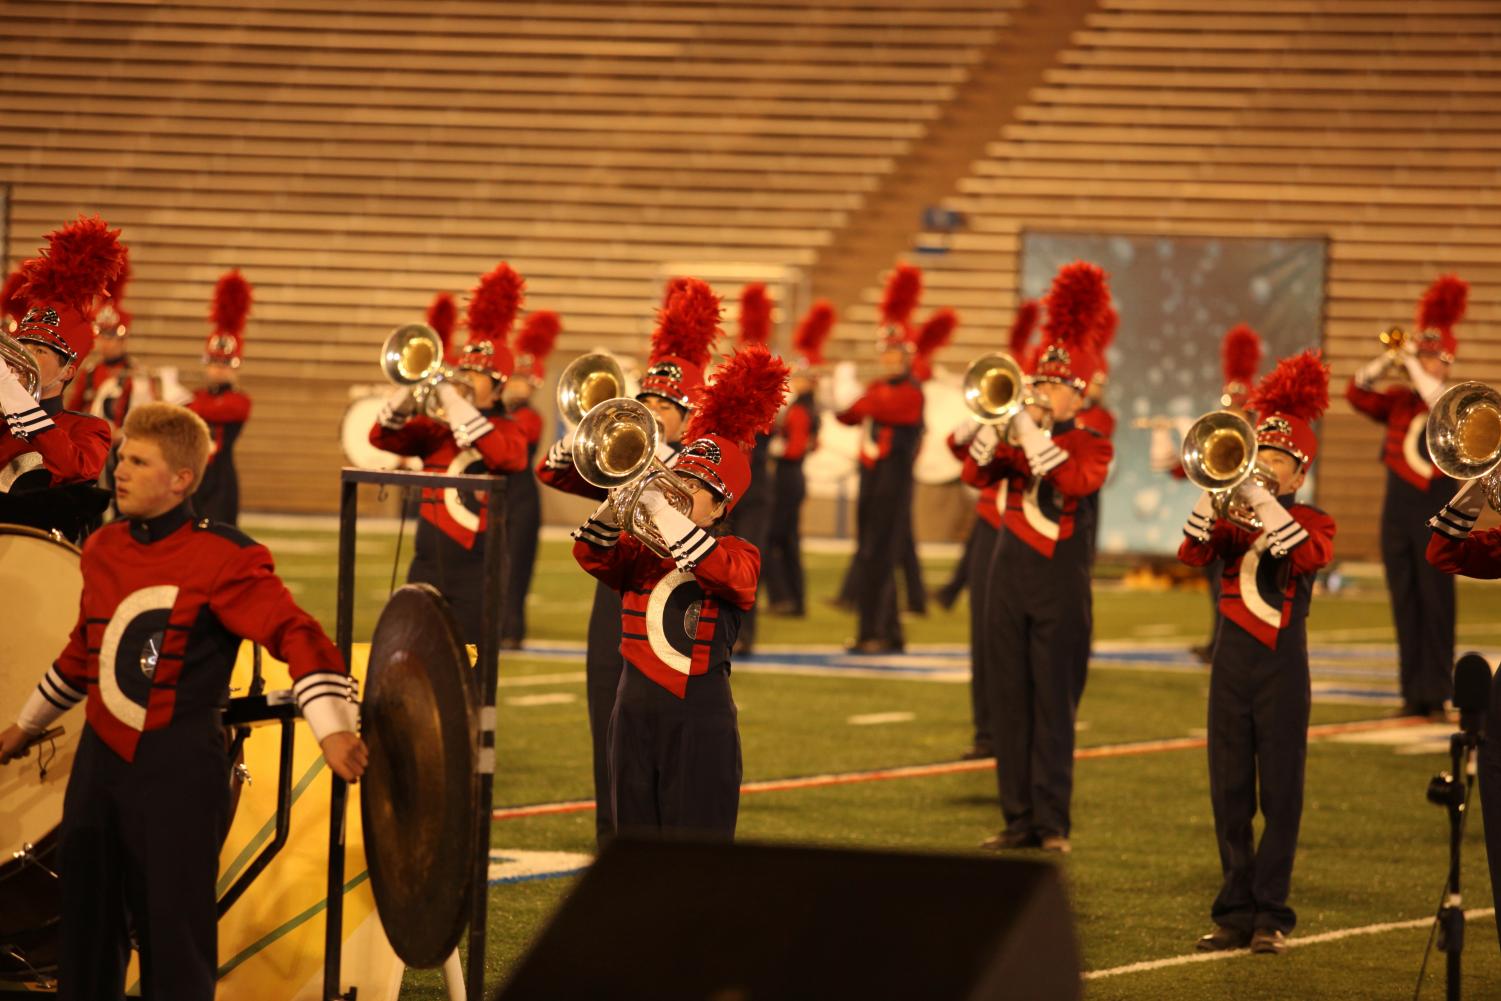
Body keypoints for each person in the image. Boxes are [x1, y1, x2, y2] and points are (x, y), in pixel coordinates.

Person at [0, 401, 367, 1001]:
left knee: (174, 941)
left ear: (182, 480)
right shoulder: (105, 547)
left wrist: (332, 727)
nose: (119, 472)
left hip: (178, 770)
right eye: (122, 457)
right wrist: (24, 725)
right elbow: (83, 652)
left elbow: (295, 633)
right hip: (99, 768)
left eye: (139, 463)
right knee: (86, 942)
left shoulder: (225, 556)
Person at [572, 344, 788, 839]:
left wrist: (662, 509)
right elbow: (590, 553)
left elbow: (727, 576)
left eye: (694, 488)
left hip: (699, 719)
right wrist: (619, 497)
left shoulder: (739, 552)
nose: (678, 491)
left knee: (697, 861)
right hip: (630, 714)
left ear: (719, 508)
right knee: (634, 857)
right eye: (679, 479)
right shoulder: (642, 552)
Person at [538, 277, 721, 842]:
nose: (657, 411)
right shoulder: (627, 450)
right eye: (650, 402)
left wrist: (657, 455)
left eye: (669, 405)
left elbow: (705, 503)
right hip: (614, 597)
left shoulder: (710, 458)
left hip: (675, 610)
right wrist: (578, 441)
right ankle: (608, 837)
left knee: (663, 735)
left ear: (692, 414)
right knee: (605, 716)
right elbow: (550, 472)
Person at [1179, 350, 1335, 956]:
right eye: (1258, 457)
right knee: (1230, 791)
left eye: (1276, 462)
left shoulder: (1313, 519)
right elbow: (1191, 551)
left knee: (1282, 794)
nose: (1263, 470)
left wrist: (1257, 494)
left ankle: (1272, 912)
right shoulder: (1233, 522)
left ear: (1298, 476)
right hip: (1231, 668)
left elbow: (1303, 553)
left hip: (1282, 668)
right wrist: (1218, 485)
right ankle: (1233, 910)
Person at [964, 261, 1113, 855]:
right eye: (1037, 383)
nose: (1039, 393)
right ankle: (1017, 816)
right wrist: (994, 424)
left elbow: (1072, 479)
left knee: (1053, 703)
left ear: (1077, 392)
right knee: (1009, 699)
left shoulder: (1093, 443)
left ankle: (1052, 821)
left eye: (1052, 386)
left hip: (1060, 584)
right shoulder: (1020, 435)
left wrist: (1024, 425)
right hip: (1008, 574)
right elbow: (975, 470)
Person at [369, 262, 531, 643]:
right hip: (426, 559)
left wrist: (448, 397)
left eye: (474, 375)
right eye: (464, 370)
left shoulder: (509, 428)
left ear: (497, 383)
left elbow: (506, 458)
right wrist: (413, 386)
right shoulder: (436, 429)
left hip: (478, 567)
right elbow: (380, 435)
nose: (463, 379)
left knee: (470, 669)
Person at [1347, 275, 1468, 717]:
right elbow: (1356, 393)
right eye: (1423, 355)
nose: (1425, 362)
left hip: (1437, 506)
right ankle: (1410, 693)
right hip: (1397, 506)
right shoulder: (1399, 401)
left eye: (1433, 357)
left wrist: (1413, 360)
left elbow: (1436, 397)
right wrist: (1386, 361)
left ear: (1447, 360)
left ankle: (1435, 692)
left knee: (1436, 601)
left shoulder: (1455, 401)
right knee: (1404, 598)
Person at [946, 300, 1038, 759]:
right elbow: (960, 456)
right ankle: (987, 732)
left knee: (1023, 638)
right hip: (990, 527)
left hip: (1029, 533)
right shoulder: (998, 423)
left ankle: (1020, 733)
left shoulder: (1050, 433)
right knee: (985, 634)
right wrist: (980, 422)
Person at [0, 215, 123, 539]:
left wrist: (15, 396)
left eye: (38, 351)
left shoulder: (88, 429)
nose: (23, 357)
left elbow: (71, 472)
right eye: (21, 346)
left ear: (69, 370)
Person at [1150, 323, 1263, 663]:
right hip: (1216, 524)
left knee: (1236, 587)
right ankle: (1217, 642)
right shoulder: (1223, 433)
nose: (1231, 414)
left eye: (1237, 409)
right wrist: (1166, 436)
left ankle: (1230, 644)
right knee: (1216, 586)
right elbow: (1176, 469)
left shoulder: (1257, 437)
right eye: (1228, 408)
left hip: (1248, 524)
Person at [834, 264, 927, 653]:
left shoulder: (911, 392)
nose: (889, 359)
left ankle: (882, 631)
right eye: (885, 352)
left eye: (895, 352)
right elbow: (847, 413)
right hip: (872, 479)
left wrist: (868, 401)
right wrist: (868, 401)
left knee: (881, 556)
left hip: (894, 480)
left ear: (907, 356)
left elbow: (878, 408)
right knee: (870, 554)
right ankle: (878, 630)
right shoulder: (880, 389)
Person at [159, 269, 256, 525]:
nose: (217, 368)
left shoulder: (239, 401)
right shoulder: (198, 397)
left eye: (224, 363)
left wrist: (182, 403)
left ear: (236, 366)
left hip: (221, 481)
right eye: (213, 362)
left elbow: (216, 410)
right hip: (194, 477)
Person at [764, 299, 835, 618]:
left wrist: (772, 446)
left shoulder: (802, 409)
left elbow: (795, 448)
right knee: (788, 543)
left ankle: (784, 598)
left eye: (801, 375)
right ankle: (794, 600)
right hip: (795, 477)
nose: (796, 379)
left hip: (789, 476)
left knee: (772, 540)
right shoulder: (807, 407)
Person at [499, 308, 560, 649]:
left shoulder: (529, 416)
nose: (516, 385)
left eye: (522, 380)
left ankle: (512, 629)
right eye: (514, 379)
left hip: (522, 498)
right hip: (501, 495)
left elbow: (515, 444)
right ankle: (496, 626)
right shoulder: (505, 413)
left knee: (516, 567)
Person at [726, 282, 775, 654]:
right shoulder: (721, 407)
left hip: (754, 496)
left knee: (747, 565)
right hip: (726, 496)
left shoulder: (765, 411)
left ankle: (747, 634)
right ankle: (724, 631)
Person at [66, 253, 135, 428]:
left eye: (111, 337)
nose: (105, 342)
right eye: (102, 336)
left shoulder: (136, 375)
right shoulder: (89, 373)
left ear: (123, 339)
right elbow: (73, 409)